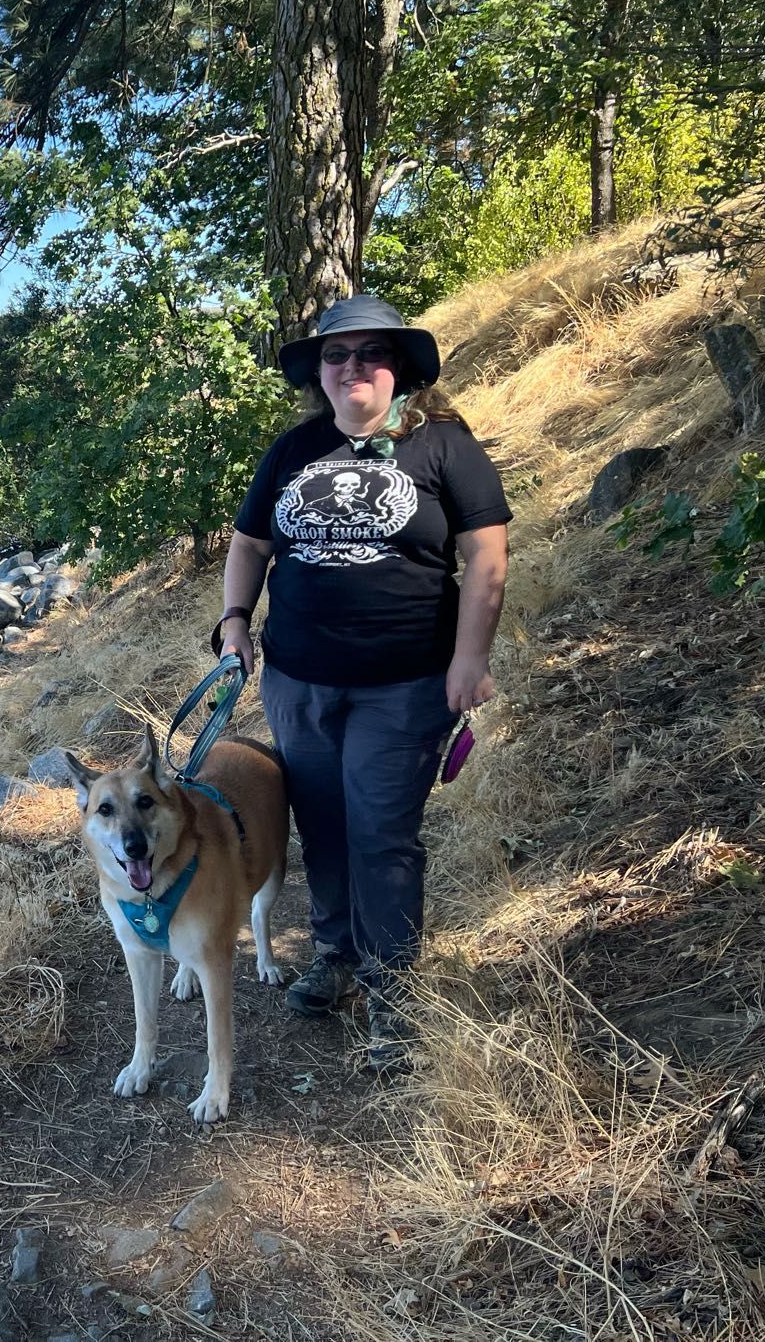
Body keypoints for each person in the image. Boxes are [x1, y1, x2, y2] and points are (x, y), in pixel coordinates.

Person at [217, 294, 509, 1072]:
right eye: (337, 356)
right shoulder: (292, 450)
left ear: (399, 369)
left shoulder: (445, 447)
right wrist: (235, 622)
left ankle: (394, 988)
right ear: (320, 372)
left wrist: (469, 659)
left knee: (381, 829)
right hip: (299, 682)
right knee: (321, 821)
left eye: (370, 354)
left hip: (405, 683)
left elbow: (486, 556)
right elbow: (248, 544)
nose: (353, 368)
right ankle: (335, 953)